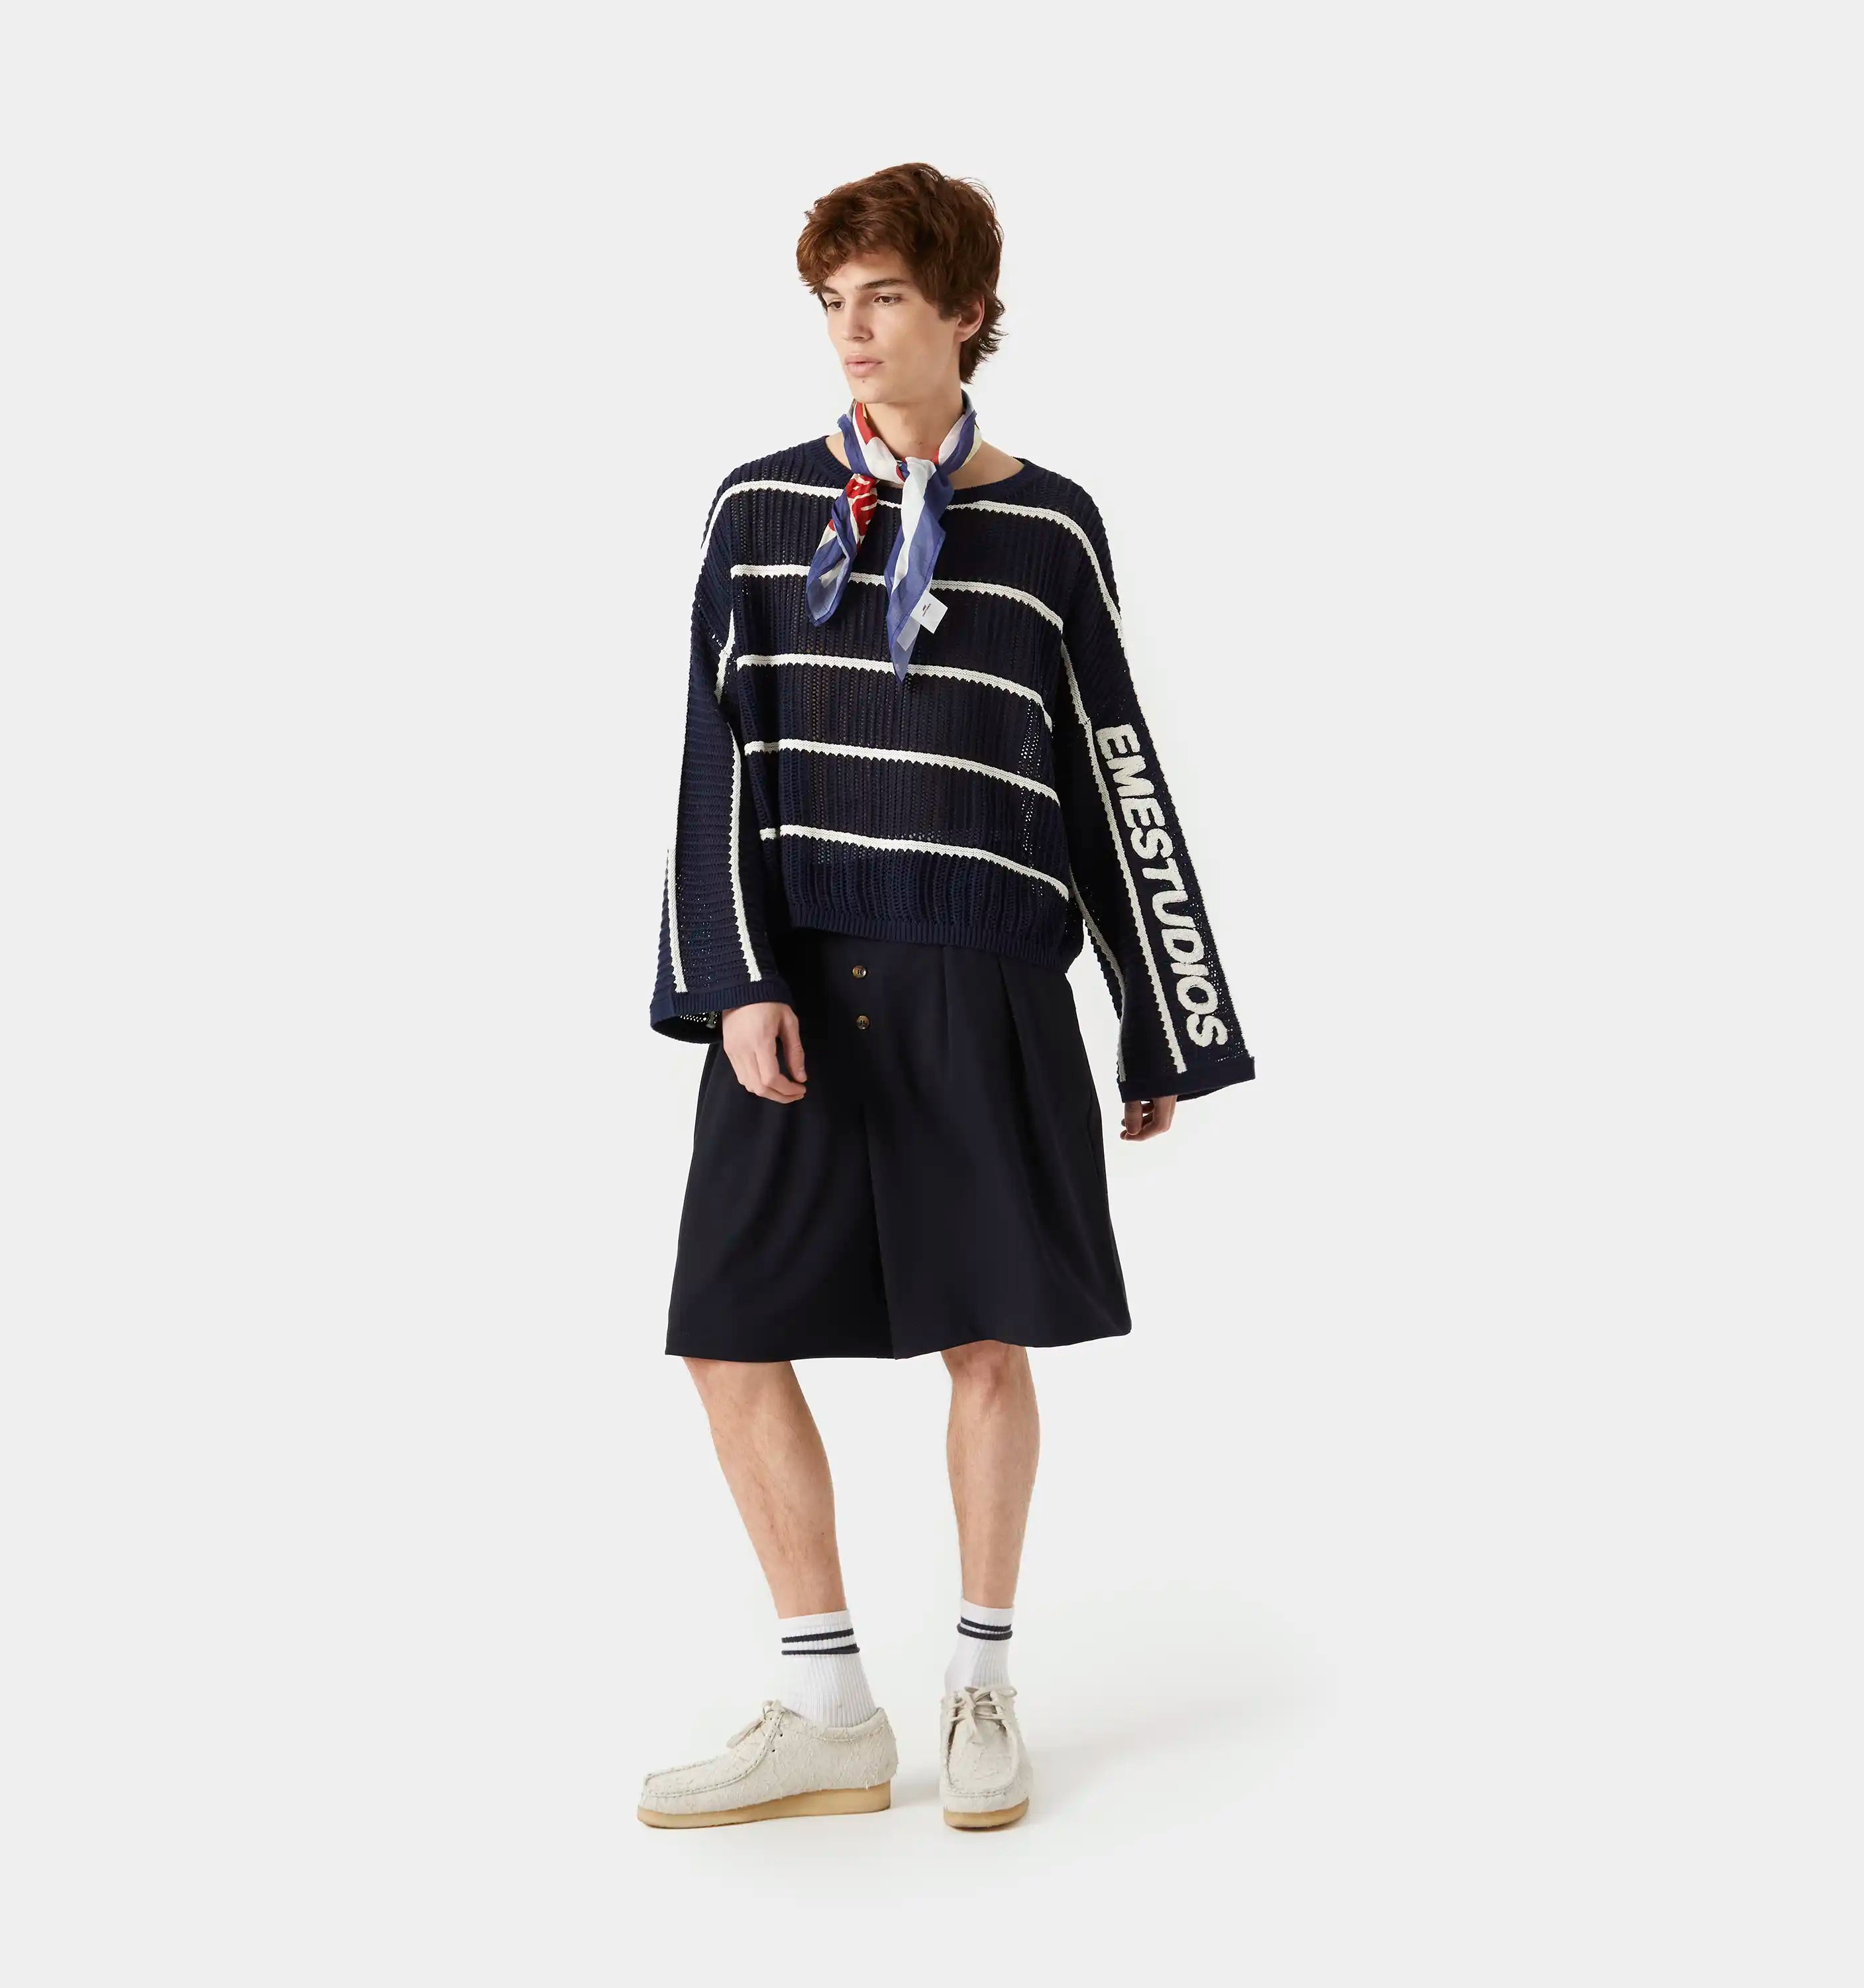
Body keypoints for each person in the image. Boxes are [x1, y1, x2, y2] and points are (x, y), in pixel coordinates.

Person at [637, 162, 1255, 1832]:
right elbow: (713, 759)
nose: (851, 331)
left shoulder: (1051, 526)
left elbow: (1108, 767)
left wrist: (1160, 1012)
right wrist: (732, 979)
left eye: (886, 298)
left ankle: (982, 1683)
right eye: (832, 302)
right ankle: (827, 1707)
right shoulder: (760, 510)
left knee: (984, 1337)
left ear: (968, 311)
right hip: (798, 982)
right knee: (727, 1336)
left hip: (983, 981)